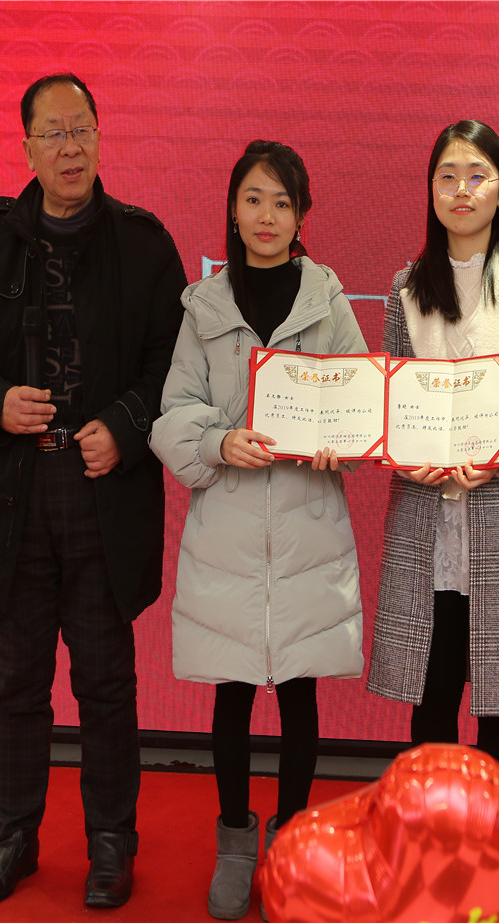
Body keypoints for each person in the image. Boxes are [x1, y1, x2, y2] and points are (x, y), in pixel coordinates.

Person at [0, 73, 187, 909]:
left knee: (106, 680)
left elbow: (175, 362)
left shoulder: (143, 245)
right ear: (28, 148)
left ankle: (111, 841)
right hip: (16, 490)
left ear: (100, 137)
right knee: (17, 678)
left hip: (102, 488)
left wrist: (126, 422)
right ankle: (13, 835)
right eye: (54, 133)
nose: (70, 148)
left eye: (82, 130)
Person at [151, 140, 365, 921]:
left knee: (300, 692)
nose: (267, 215)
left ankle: (294, 843)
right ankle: (236, 845)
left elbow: (361, 400)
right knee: (234, 692)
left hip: (308, 526)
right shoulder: (203, 307)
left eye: (282, 201)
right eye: (253, 199)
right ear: (233, 210)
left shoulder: (326, 299)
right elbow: (171, 415)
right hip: (231, 530)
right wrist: (217, 442)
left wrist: (341, 437)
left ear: (301, 214)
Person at [366, 120, 499, 778]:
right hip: (427, 516)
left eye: (476, 176)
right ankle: (430, 829)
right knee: (430, 694)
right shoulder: (406, 286)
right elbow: (390, 397)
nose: (461, 190)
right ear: (430, 191)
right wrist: (404, 450)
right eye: (447, 177)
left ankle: (495, 831)